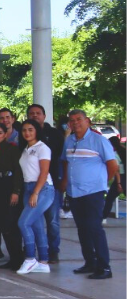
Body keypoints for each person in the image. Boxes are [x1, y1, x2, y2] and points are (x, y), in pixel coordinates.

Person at [61, 109, 118, 279]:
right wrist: (65, 181)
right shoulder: (69, 141)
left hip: (93, 192)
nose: (75, 123)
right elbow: (65, 162)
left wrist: (101, 182)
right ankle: (90, 262)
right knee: (82, 229)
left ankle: (104, 267)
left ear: (88, 121)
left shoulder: (99, 140)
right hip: (74, 192)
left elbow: (113, 166)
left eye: (79, 119)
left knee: (94, 228)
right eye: (72, 120)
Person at [15, 119, 54, 276]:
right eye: (24, 130)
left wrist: (36, 192)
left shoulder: (42, 148)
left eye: (30, 129)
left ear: (37, 130)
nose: (27, 133)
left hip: (42, 188)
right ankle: (43, 262)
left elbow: (44, 173)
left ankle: (30, 258)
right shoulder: (25, 149)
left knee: (23, 223)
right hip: (28, 187)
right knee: (37, 227)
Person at [26, 103, 64, 263]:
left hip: (51, 184)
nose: (35, 115)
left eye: (38, 113)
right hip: (30, 185)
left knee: (53, 221)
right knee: (34, 220)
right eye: (32, 113)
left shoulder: (54, 134)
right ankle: (33, 251)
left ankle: (53, 250)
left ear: (44, 116)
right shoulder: (25, 135)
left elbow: (60, 158)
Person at [0, 123, 22, 270]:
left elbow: (18, 171)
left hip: (8, 185)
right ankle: (12, 258)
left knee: (11, 225)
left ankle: (17, 258)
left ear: (5, 134)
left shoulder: (12, 149)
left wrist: (16, 191)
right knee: (2, 224)